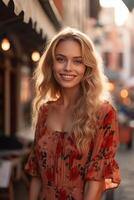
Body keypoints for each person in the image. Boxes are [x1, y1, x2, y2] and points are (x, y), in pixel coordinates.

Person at [25, 27, 121, 200]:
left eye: (77, 61)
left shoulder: (103, 113)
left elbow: (96, 180)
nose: (68, 68)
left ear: (87, 67)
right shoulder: (45, 111)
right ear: (51, 64)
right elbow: (36, 174)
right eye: (61, 59)